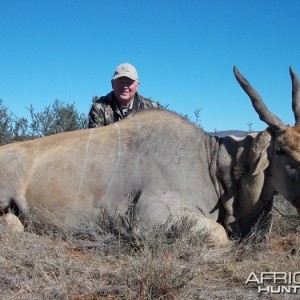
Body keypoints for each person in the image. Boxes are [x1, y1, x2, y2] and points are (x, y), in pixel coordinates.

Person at [88, 62, 162, 128]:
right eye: (121, 82)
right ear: (112, 84)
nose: (124, 87)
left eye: (129, 82)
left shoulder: (152, 109)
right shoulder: (100, 107)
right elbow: (96, 138)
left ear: (137, 85)